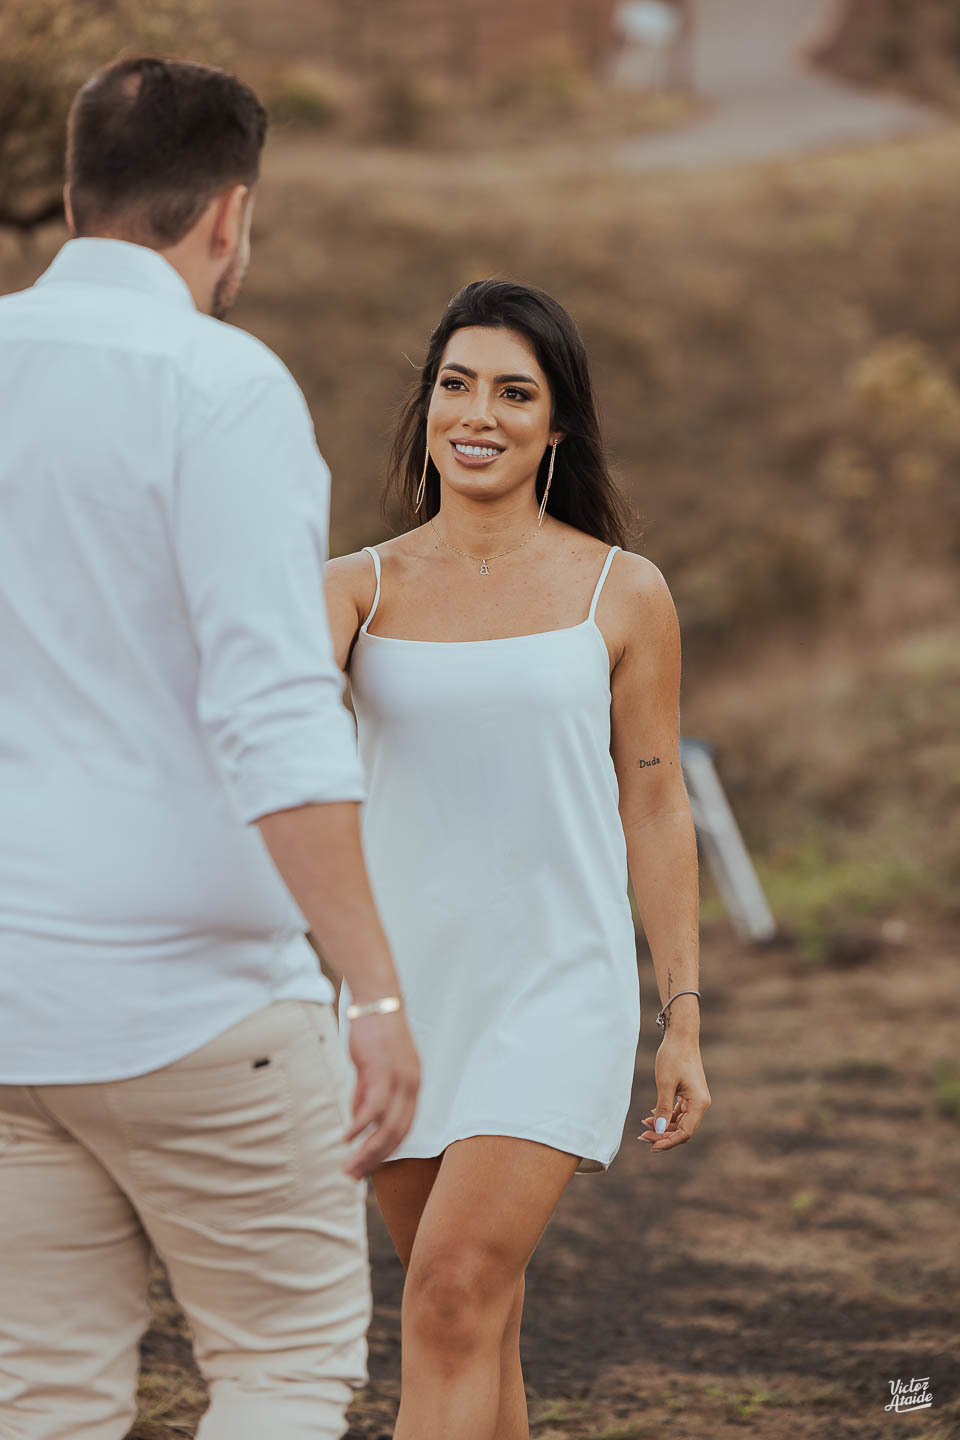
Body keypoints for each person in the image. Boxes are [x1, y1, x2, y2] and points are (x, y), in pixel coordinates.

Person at [0, 55, 419, 1440]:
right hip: (196, 1008)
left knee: (40, 1396)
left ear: (72, 194)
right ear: (230, 214)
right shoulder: (220, 385)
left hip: (9, 1006)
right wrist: (370, 991)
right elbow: (274, 707)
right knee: (284, 1368)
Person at [323, 278, 711, 1440]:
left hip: (557, 984)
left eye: (512, 391)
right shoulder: (356, 587)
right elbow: (264, 741)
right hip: (398, 995)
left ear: (557, 425)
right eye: (455, 384)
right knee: (470, 1318)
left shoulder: (622, 591)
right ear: (427, 406)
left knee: (446, 1298)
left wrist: (680, 1013)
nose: (476, 413)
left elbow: (656, 805)